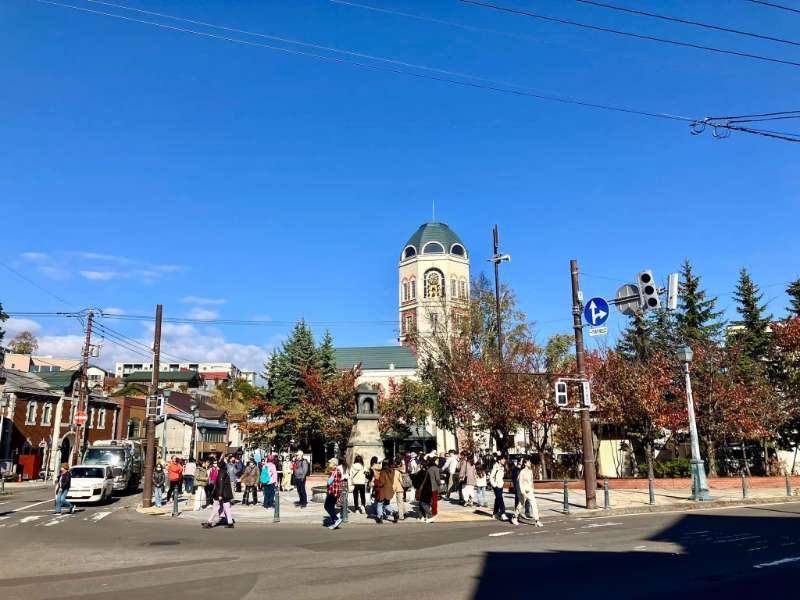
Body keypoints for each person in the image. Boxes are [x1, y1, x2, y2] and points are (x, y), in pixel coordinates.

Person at [202, 456, 234, 529]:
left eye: (217, 464)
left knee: (215, 507)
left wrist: (219, 494)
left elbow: (221, 484)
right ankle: (230, 522)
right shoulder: (224, 472)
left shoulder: (221, 473)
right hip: (226, 494)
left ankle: (209, 522)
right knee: (227, 508)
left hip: (221, 493)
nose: (216, 466)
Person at [513, 457, 543, 527]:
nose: (530, 463)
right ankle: (514, 517)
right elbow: (520, 483)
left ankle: (537, 520)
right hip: (523, 491)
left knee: (534, 505)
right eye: (528, 462)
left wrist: (532, 489)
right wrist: (522, 492)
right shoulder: (522, 472)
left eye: (530, 462)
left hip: (529, 491)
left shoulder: (530, 471)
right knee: (521, 505)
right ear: (525, 463)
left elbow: (531, 481)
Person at [417, 456, 439, 523]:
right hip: (429, 488)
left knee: (423, 502)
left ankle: (428, 516)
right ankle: (423, 516)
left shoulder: (424, 472)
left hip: (426, 489)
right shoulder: (430, 470)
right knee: (425, 502)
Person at [324, 458, 343, 530]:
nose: (329, 464)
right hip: (336, 491)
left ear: (334, 463)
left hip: (333, 491)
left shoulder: (334, 471)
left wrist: (328, 481)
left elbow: (329, 482)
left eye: (330, 463)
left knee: (327, 506)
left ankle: (336, 519)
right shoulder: (338, 471)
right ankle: (334, 522)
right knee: (331, 507)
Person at [490, 455, 508, 521]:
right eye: (503, 459)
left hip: (500, 485)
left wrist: (501, 483)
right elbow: (491, 476)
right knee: (500, 498)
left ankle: (495, 513)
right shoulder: (496, 467)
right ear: (499, 460)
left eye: (504, 459)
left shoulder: (502, 467)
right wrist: (494, 485)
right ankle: (503, 513)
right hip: (496, 485)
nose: (504, 460)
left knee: (498, 499)